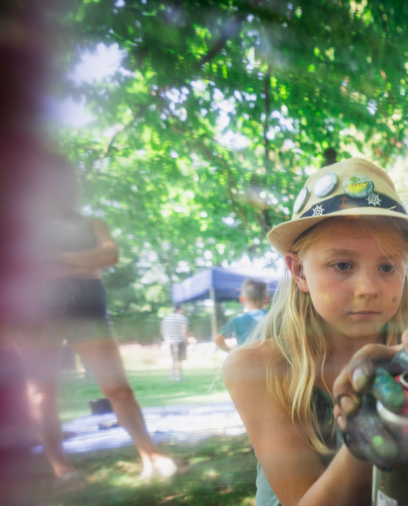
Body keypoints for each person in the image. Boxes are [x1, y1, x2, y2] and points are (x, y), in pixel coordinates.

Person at [222, 157, 408, 506]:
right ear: (298, 271)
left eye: (388, 266)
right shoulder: (256, 368)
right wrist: (371, 424)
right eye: (342, 265)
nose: (368, 288)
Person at [25, 157, 177, 481]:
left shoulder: (94, 224)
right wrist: (84, 264)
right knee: (42, 392)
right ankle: (61, 467)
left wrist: (53, 258)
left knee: (119, 389)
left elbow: (109, 255)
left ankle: (151, 456)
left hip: (87, 310)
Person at [214, 278, 269, 352]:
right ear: (267, 300)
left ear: (242, 299)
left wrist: (233, 353)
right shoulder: (274, 317)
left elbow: (218, 340)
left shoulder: (237, 320)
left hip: (244, 358)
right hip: (270, 358)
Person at [160, 305, 190, 381]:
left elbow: (162, 331)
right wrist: (186, 340)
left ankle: (172, 375)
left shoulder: (166, 318)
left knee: (174, 359)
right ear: (179, 309)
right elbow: (184, 331)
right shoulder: (183, 318)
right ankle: (178, 377)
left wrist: (166, 339)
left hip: (169, 341)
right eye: (183, 309)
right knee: (179, 359)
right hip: (179, 341)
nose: (184, 311)